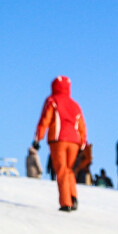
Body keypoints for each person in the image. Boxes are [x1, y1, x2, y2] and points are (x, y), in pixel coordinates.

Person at [32, 75, 87, 212]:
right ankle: (73, 196)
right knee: (69, 170)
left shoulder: (52, 100)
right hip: (74, 141)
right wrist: (83, 143)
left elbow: (45, 119)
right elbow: (82, 126)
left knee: (61, 169)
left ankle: (65, 202)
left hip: (58, 140)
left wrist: (38, 138)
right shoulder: (75, 105)